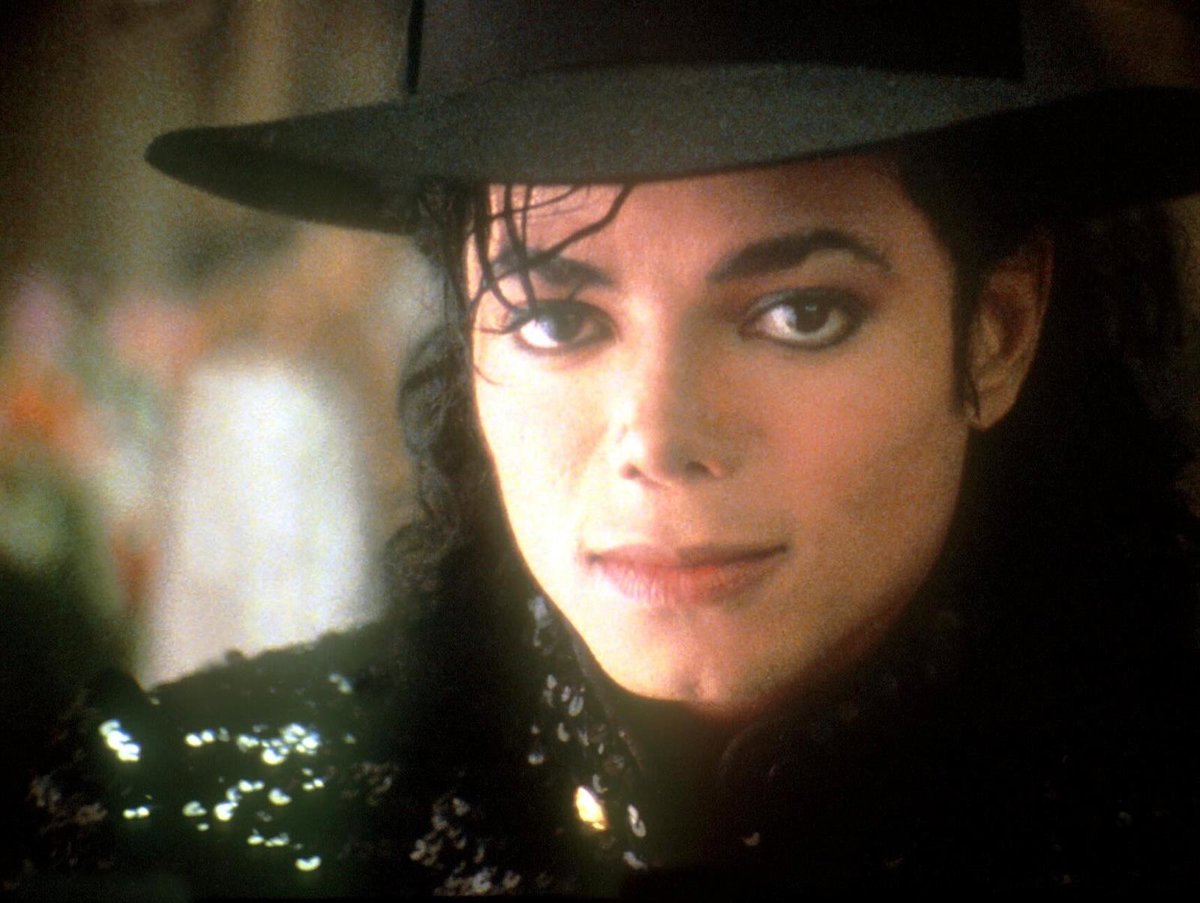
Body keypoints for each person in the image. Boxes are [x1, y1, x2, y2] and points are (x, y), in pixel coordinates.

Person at [9, 1, 1200, 896]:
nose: (659, 438)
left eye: (800, 314)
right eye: (553, 319)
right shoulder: (174, 821)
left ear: (997, 330)